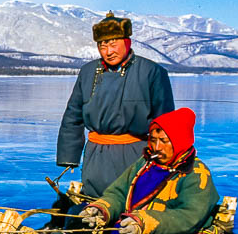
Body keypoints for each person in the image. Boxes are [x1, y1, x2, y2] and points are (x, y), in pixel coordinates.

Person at [51, 107, 220, 234]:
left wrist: (144, 222)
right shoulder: (144, 163)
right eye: (153, 140)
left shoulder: (196, 174)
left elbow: (189, 217)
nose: (156, 147)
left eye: (164, 142)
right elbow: (119, 192)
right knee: (79, 214)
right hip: (129, 228)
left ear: (180, 140)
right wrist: (101, 210)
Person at [56, 11, 175, 197]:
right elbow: (73, 115)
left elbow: (165, 122)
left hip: (134, 154)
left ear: (127, 42)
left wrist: (165, 158)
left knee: (132, 200)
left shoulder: (152, 72)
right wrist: (69, 157)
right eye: (102, 46)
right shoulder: (88, 72)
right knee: (93, 200)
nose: (108, 52)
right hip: (96, 154)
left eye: (113, 44)